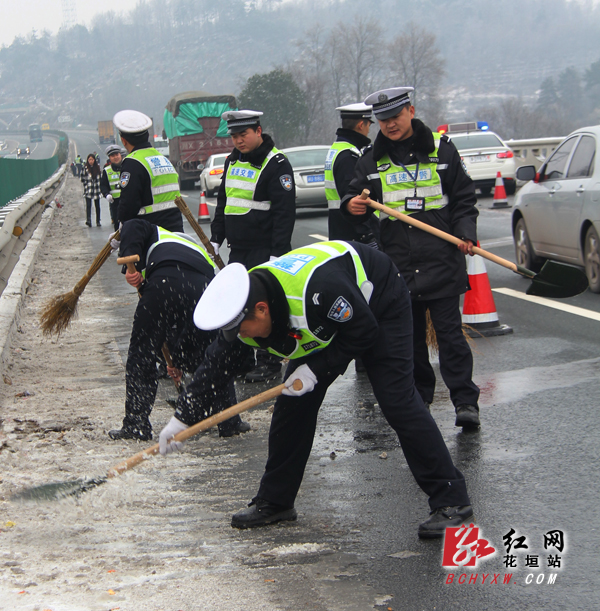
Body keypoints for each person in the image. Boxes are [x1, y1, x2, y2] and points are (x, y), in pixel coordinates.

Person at [159, 241, 473, 539]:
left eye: (243, 330)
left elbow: (363, 332)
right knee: (292, 407)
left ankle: (451, 499)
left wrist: (317, 369)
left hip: (377, 305)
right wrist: (181, 420)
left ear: (262, 310)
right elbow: (215, 366)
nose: (241, 337)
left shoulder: (320, 289)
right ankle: (276, 501)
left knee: (397, 400)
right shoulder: (243, 312)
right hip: (318, 322)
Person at [342, 87, 481, 428]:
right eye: (383, 119)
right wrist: (353, 204)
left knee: (450, 338)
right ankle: (421, 399)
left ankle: (465, 402)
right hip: (399, 265)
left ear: (411, 111)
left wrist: (465, 234)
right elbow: (353, 197)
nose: (390, 125)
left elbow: (463, 198)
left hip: (442, 258)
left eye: (395, 117)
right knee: (411, 340)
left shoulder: (442, 150)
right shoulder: (371, 159)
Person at [108, 219, 250, 441]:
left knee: (142, 353)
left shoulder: (155, 230)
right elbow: (184, 329)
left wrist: (128, 267)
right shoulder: (193, 250)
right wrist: (178, 361)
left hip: (164, 281)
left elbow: (132, 225)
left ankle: (136, 425)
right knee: (213, 354)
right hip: (203, 288)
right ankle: (228, 421)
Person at [210, 109, 296, 383]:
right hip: (239, 249)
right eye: (234, 136)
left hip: (265, 249)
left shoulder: (277, 163)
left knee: (265, 305)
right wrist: (216, 238)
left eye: (243, 134)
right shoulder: (232, 161)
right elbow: (224, 204)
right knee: (238, 305)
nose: (238, 141)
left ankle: (270, 363)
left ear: (258, 131)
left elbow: (285, 213)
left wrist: (277, 253)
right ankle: (244, 359)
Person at [113, 110, 184, 233]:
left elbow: (128, 205)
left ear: (123, 140)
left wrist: (122, 228)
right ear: (147, 136)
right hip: (176, 231)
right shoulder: (162, 159)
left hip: (150, 233)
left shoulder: (132, 162)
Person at [325, 103, 378, 246]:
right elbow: (353, 199)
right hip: (353, 234)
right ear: (361, 125)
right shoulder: (349, 156)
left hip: (341, 229)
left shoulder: (337, 149)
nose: (368, 130)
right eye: (368, 126)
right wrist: (367, 235)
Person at [100, 144, 124, 231]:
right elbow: (103, 185)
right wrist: (106, 194)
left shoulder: (127, 166)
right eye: (112, 156)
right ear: (110, 158)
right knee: (118, 227)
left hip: (128, 201)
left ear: (120, 155)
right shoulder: (107, 171)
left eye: (117, 155)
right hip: (115, 203)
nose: (115, 157)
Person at [80, 153, 102, 227]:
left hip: (96, 189)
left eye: (92, 159)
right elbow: (82, 178)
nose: (91, 161)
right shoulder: (85, 168)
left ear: (94, 160)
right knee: (88, 205)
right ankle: (88, 220)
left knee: (97, 206)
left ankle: (98, 220)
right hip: (88, 189)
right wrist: (86, 184)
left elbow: (100, 177)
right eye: (89, 159)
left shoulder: (97, 167)